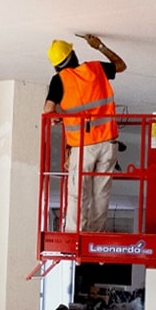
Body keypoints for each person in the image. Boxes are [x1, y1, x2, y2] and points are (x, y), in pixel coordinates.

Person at [44, 35, 128, 233]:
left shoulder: (59, 81)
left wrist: (59, 118)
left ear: (56, 65)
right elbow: (121, 65)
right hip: (108, 143)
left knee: (78, 193)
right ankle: (96, 237)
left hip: (83, 147)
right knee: (101, 193)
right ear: (73, 55)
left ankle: (75, 237)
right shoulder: (96, 68)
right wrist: (99, 46)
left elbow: (48, 111)